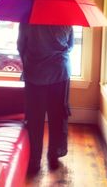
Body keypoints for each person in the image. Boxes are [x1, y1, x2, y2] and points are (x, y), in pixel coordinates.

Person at [17, 23, 74, 175]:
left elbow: (20, 46)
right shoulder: (66, 19)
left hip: (35, 73)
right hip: (60, 73)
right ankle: (54, 155)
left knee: (35, 119)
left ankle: (35, 160)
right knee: (58, 115)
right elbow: (70, 46)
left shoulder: (28, 19)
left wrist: (31, 60)